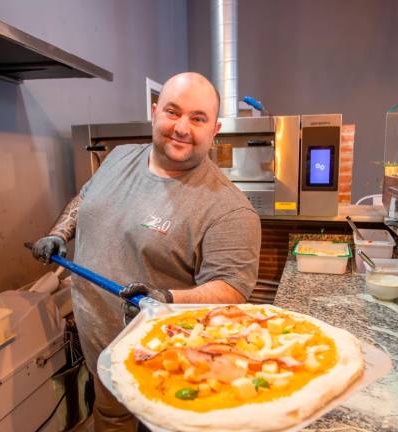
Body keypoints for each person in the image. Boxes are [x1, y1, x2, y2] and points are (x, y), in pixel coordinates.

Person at [31, 72, 261, 431]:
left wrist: (165, 297)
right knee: (109, 419)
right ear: (155, 112)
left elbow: (231, 290)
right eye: (173, 112)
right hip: (101, 348)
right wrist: (60, 232)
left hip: (167, 365)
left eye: (197, 118)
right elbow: (86, 199)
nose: (182, 127)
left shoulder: (229, 209)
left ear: (214, 129)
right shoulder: (120, 157)